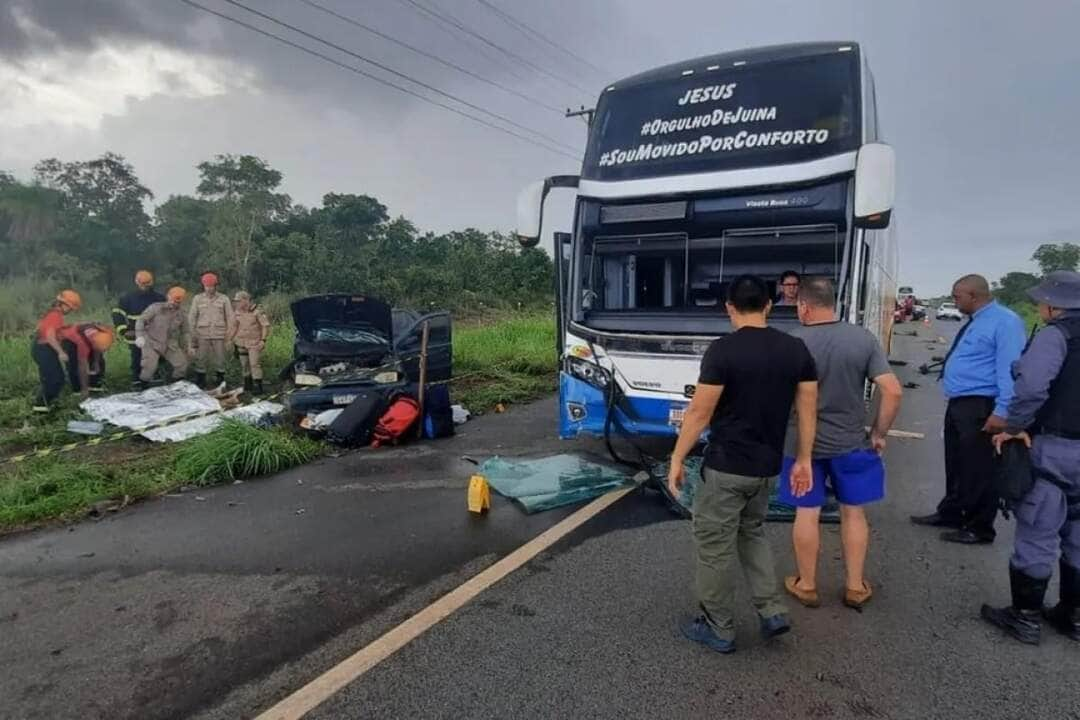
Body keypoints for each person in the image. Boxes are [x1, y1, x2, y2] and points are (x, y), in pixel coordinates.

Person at [668, 274, 818, 654]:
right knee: (751, 533)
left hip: (726, 468)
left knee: (714, 546)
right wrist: (803, 460)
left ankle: (719, 627)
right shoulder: (796, 349)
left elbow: (700, 414)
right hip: (766, 468)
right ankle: (771, 610)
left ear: (729, 308)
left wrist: (677, 458)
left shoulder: (722, 351)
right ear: (769, 304)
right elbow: (807, 412)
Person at [777, 278, 904, 610]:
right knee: (853, 512)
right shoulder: (862, 338)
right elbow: (892, 390)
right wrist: (878, 433)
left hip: (801, 446)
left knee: (807, 511)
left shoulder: (791, 342)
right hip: (851, 442)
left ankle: (806, 584)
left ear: (804, 305)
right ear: (833, 302)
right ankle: (855, 586)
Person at [981, 271, 1080, 644]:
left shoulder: (1057, 336)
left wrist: (1014, 426)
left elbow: (1033, 386)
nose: (1039, 307)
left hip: (1056, 448)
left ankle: (1025, 617)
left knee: (1039, 526)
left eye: (1041, 302)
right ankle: (1073, 617)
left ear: (1054, 305)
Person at [911, 274, 1025, 545]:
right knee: (957, 462)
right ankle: (952, 511)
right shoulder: (977, 321)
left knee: (979, 469)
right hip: (961, 403)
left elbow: (1010, 369)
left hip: (982, 405)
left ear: (974, 296)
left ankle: (979, 526)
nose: (954, 301)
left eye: (957, 296)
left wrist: (1003, 411)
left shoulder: (1005, 322)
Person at [31, 290, 82, 412]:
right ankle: (41, 406)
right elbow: (50, 337)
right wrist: (61, 352)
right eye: (70, 308)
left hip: (42, 348)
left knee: (50, 378)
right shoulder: (55, 316)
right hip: (44, 349)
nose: (70, 311)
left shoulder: (52, 314)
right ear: (63, 304)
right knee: (56, 379)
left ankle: (46, 404)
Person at [112, 270, 166, 382]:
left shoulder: (160, 298)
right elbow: (117, 314)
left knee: (156, 357)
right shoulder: (127, 298)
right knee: (137, 358)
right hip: (135, 335)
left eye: (147, 284)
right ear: (137, 282)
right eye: (143, 284)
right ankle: (137, 382)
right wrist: (124, 330)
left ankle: (156, 380)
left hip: (155, 335)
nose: (145, 287)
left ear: (151, 283)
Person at [135, 287, 191, 387]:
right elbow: (141, 320)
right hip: (151, 342)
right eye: (174, 300)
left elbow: (185, 332)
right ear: (168, 297)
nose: (175, 303)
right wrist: (139, 336)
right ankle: (142, 387)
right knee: (149, 368)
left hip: (169, 344)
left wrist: (188, 346)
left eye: (178, 302)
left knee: (182, 365)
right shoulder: (155, 308)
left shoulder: (182, 314)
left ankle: (175, 387)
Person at [189, 272, 234, 388]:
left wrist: (229, 337)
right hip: (202, 334)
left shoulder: (224, 299)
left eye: (212, 286)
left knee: (220, 358)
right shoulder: (197, 299)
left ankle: (220, 379)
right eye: (207, 286)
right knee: (201, 358)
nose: (209, 289)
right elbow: (192, 318)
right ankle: (201, 380)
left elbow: (230, 318)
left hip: (219, 334)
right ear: (203, 286)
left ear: (216, 286)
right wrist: (193, 336)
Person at [58, 323, 115, 400]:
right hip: (69, 341)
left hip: (88, 337)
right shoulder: (82, 343)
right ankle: (78, 391)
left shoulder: (105, 333)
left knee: (99, 362)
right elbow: (82, 365)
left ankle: (95, 387)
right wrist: (84, 389)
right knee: (74, 365)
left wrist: (96, 362)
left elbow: (98, 348)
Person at [231, 291, 270, 395]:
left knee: (254, 364)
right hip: (241, 342)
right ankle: (248, 384)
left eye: (239, 301)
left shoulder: (257, 311)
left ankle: (258, 385)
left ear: (245, 300)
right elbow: (235, 326)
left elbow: (265, 326)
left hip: (254, 342)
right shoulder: (237, 311)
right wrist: (231, 340)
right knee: (244, 364)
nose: (237, 303)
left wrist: (263, 340)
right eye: (236, 301)